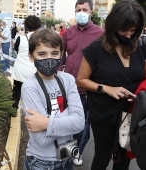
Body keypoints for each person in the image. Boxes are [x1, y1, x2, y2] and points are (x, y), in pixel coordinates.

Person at [76, 0, 146, 170]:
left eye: (134, 31)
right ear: (113, 26)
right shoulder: (96, 49)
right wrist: (107, 88)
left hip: (132, 113)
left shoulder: (140, 46)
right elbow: (81, 80)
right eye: (124, 30)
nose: (129, 36)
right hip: (104, 113)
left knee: (124, 156)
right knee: (102, 155)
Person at [21, 28, 85, 170]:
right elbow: (42, 140)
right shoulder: (30, 88)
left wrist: (45, 122)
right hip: (41, 162)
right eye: (42, 54)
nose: (49, 59)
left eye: (54, 53)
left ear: (61, 55)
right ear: (31, 57)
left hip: (67, 155)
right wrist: (69, 117)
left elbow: (80, 123)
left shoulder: (67, 79)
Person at [59, 0, 104, 165]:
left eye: (85, 9)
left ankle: (77, 152)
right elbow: (60, 55)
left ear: (91, 12)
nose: (81, 12)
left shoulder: (101, 34)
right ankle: (64, 155)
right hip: (68, 88)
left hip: (88, 90)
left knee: (83, 127)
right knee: (66, 124)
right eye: (78, 9)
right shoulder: (68, 33)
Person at [11, 15, 41, 109]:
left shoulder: (21, 38)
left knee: (16, 90)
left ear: (26, 25)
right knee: (33, 92)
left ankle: (14, 109)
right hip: (34, 70)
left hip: (20, 69)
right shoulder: (41, 40)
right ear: (38, 26)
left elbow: (16, 50)